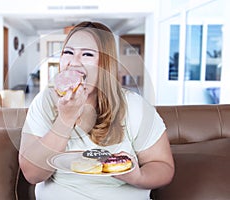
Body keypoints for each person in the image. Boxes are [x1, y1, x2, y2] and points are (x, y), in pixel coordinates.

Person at [19, 21, 174, 200]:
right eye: (68, 52)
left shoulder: (134, 106)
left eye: (86, 54)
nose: (73, 63)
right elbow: (32, 174)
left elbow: (164, 167)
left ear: (105, 64)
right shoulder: (44, 102)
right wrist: (65, 120)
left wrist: (137, 176)